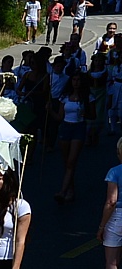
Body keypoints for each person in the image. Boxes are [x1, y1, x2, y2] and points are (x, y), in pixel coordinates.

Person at [96, 138, 122, 269]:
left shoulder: (114, 172)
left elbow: (111, 201)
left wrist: (102, 226)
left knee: (112, 263)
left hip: (117, 217)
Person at [55, 70, 88, 203]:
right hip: (65, 127)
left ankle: (62, 192)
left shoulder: (87, 97)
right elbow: (59, 117)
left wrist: (84, 113)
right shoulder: (65, 97)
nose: (76, 83)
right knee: (67, 163)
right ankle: (70, 189)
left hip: (78, 128)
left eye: (78, 80)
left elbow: (93, 115)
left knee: (71, 161)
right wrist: (50, 110)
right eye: (74, 80)